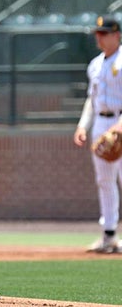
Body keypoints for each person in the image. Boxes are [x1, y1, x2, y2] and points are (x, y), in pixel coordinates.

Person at [74, 14, 122, 254]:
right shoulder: (95, 64)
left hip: (120, 120)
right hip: (102, 123)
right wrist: (83, 125)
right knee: (104, 180)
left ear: (117, 35)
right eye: (97, 34)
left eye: (104, 34)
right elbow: (91, 101)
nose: (99, 38)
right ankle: (109, 235)